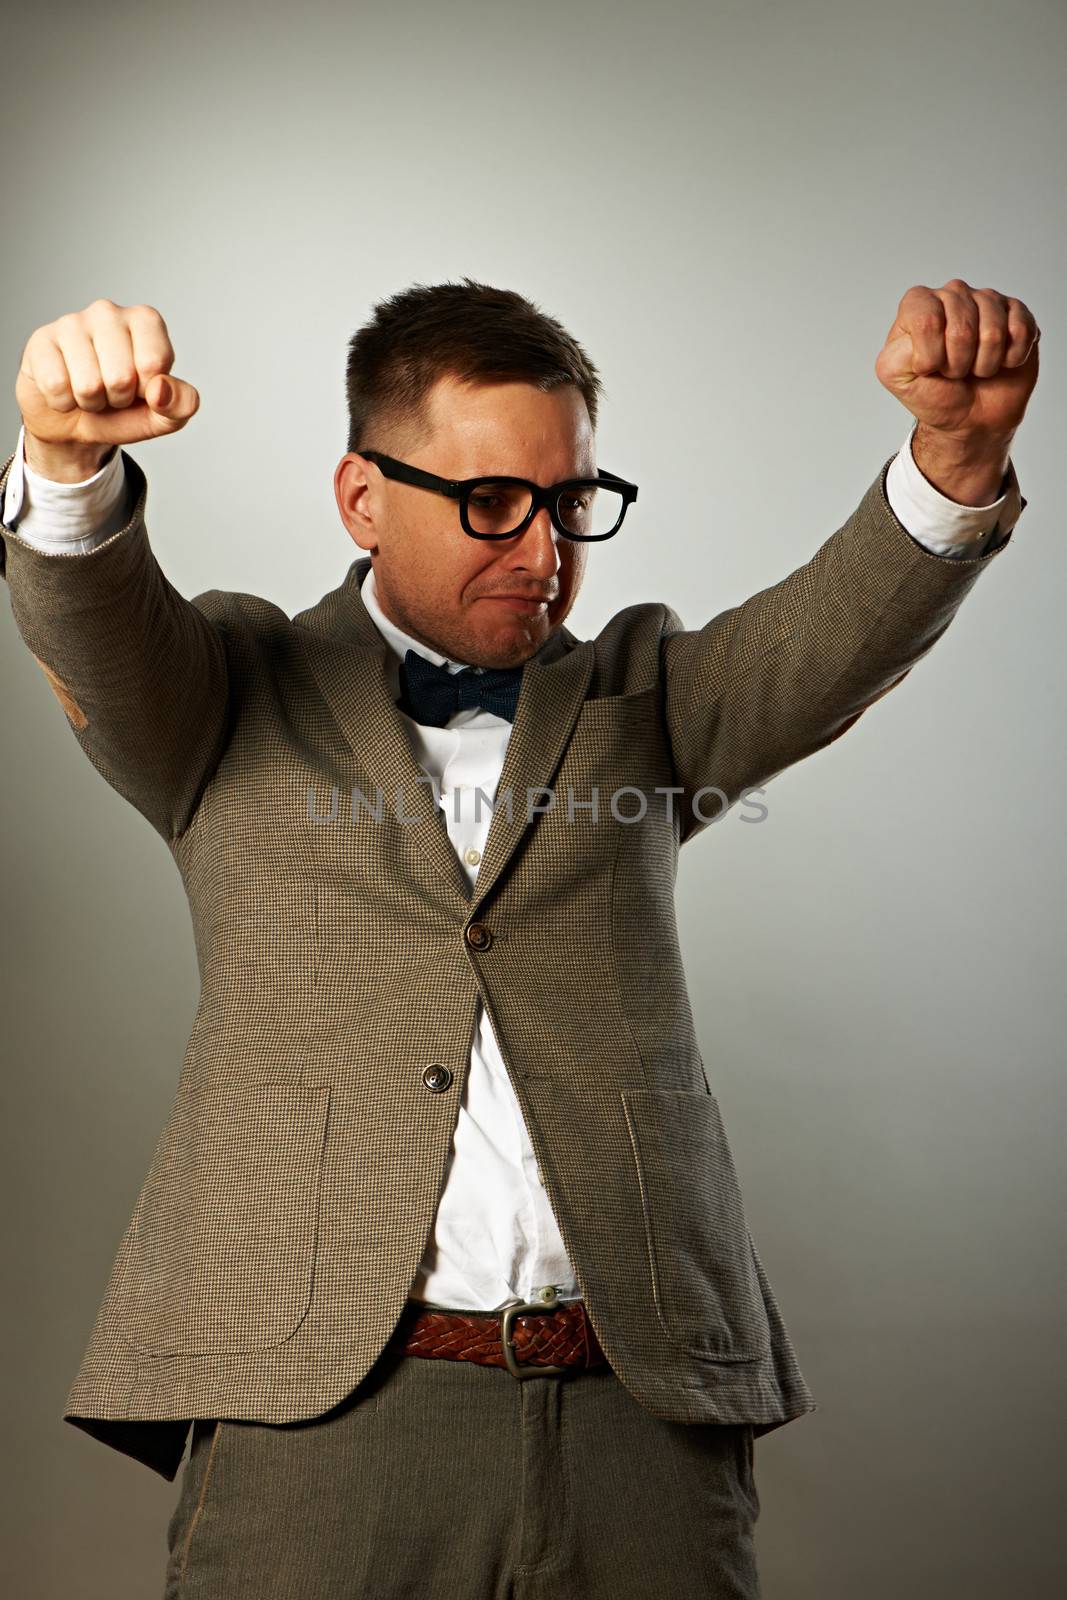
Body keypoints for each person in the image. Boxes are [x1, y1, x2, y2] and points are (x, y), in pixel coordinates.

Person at [0, 278, 1038, 1598]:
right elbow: (96, 628)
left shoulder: (641, 699)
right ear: (362, 498)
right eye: (494, 501)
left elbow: (826, 638)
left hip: (637, 1421)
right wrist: (68, 463)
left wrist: (955, 458)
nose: (544, 547)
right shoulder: (221, 694)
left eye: (572, 501)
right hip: (325, 1424)